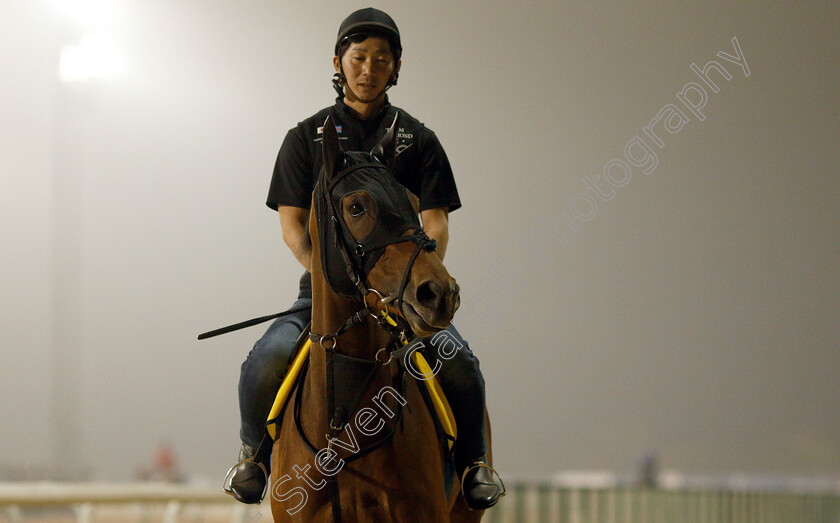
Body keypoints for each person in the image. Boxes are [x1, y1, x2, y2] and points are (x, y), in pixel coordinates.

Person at [228, 8, 503, 510]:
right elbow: (292, 225)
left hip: (399, 296)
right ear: (339, 61)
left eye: (381, 59)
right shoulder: (303, 139)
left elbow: (436, 220)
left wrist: (412, 282)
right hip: (324, 294)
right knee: (264, 361)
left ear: (395, 68)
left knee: (460, 364)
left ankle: (473, 464)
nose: (369, 68)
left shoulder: (419, 140)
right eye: (359, 57)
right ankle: (254, 459)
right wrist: (332, 279)